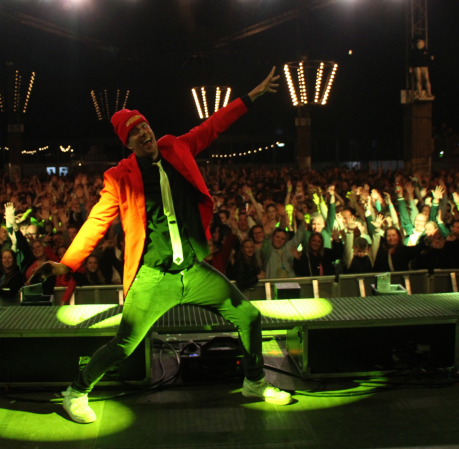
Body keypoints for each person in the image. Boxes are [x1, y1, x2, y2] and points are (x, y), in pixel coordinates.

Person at [45, 68, 290, 424]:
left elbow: (214, 125)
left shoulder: (176, 146)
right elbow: (97, 221)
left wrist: (250, 96)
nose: (144, 133)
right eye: (135, 132)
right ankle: (76, 391)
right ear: (128, 143)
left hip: (192, 270)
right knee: (124, 344)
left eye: (144, 126)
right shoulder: (119, 177)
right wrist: (67, 264)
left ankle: (254, 382)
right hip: (153, 277)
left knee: (249, 316)